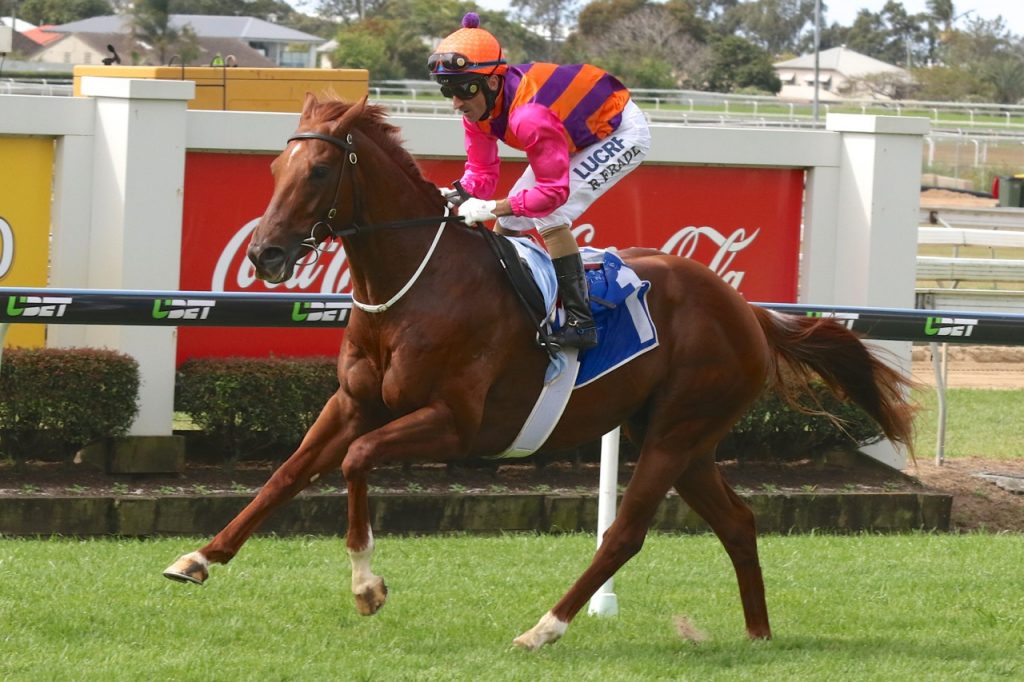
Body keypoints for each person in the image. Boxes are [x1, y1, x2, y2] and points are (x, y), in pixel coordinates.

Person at [428, 13, 651, 351]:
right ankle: (507, 305)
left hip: (620, 130)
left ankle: (581, 322)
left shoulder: (528, 116)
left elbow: (553, 193)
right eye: (449, 91)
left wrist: (493, 207)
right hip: (569, 130)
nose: (456, 103)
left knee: (548, 214)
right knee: (509, 222)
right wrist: (456, 195)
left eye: (463, 90)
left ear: (492, 83)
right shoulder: (477, 111)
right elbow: (482, 175)